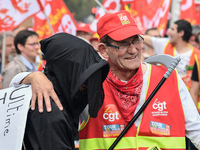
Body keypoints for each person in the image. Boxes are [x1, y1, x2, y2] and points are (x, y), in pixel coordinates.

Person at [10, 10, 200, 149]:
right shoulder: (90, 82)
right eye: (123, 44)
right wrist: (32, 76)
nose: (133, 50)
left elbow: (196, 131)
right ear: (103, 49)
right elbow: (13, 92)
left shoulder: (167, 77)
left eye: (136, 40)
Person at [11, 32, 109, 150]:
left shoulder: (46, 93)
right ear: (64, 69)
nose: (87, 82)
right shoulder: (49, 111)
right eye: (80, 71)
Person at [143, 19, 200, 113]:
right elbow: (145, 38)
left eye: (172, 29)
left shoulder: (198, 55)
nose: (168, 32)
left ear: (181, 33)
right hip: (167, 102)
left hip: (189, 103)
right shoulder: (165, 45)